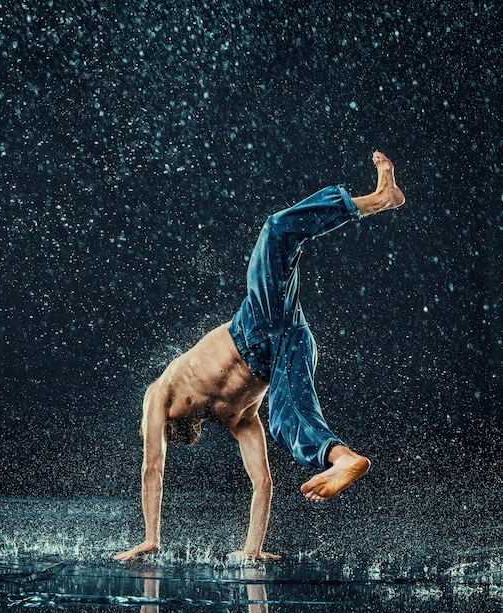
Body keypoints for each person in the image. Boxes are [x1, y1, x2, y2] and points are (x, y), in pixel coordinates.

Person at [114, 152, 405, 562]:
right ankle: (344, 458)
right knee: (289, 419)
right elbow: (262, 484)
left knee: (277, 232)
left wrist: (152, 538)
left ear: (179, 414)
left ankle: (379, 199)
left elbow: (152, 467)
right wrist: (251, 550)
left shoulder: (161, 391)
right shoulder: (239, 418)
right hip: (289, 343)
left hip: (254, 326)